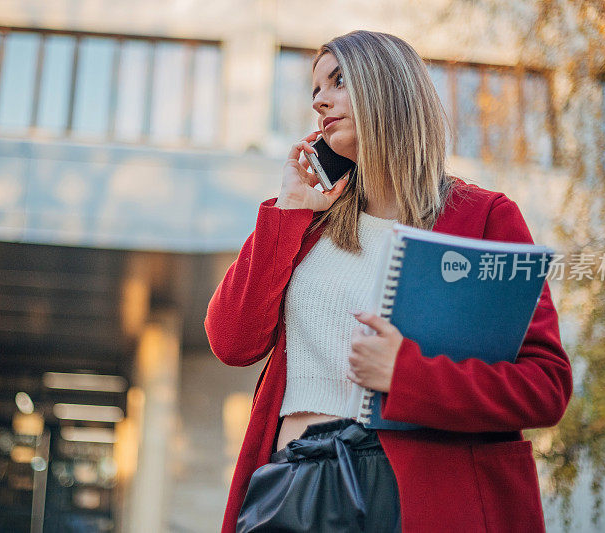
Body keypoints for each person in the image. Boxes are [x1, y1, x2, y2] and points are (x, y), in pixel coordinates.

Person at [205, 30, 572, 533]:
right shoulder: (307, 221)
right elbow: (231, 340)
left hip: (420, 496)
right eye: (315, 90)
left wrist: (406, 375)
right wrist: (287, 210)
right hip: (293, 486)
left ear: (387, 88)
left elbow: (544, 387)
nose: (320, 101)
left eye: (338, 81)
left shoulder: (483, 217)